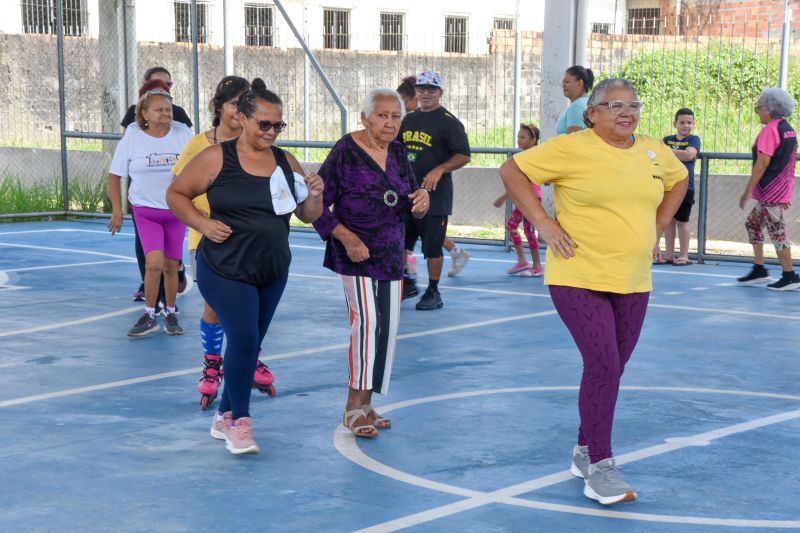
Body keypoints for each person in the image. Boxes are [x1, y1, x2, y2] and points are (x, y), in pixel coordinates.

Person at [500, 78, 688, 505]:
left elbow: (678, 182)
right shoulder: (572, 147)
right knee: (603, 363)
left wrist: (659, 225)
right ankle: (601, 467)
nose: (626, 112)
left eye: (633, 105)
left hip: (633, 278)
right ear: (593, 112)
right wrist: (544, 225)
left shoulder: (652, 150)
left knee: (612, 368)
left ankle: (584, 450)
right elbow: (512, 170)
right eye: (615, 105)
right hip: (577, 274)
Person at [167, 79, 323, 455]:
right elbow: (175, 194)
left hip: (271, 268)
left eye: (278, 126)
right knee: (245, 339)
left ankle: (222, 415)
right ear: (242, 118)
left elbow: (306, 215)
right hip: (223, 266)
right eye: (264, 124)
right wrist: (202, 224)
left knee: (251, 345)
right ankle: (240, 422)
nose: (271, 132)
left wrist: (315, 194)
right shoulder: (216, 157)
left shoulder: (286, 162)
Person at [313, 88, 429, 438]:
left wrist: (421, 198)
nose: (390, 122)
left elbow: (407, 196)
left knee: (387, 330)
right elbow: (317, 208)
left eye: (395, 116)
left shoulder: (396, 151)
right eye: (382, 115)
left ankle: (366, 403)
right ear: (364, 118)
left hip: (391, 253)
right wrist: (347, 238)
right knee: (367, 325)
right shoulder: (345, 152)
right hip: (356, 254)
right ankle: (352, 407)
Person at [169, 76, 276, 409]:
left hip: (252, 245)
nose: (240, 109)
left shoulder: (263, 145)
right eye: (234, 102)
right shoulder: (201, 147)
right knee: (218, 307)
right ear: (221, 108)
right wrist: (207, 219)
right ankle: (213, 363)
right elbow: (179, 188)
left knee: (252, 309)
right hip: (210, 239)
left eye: (247, 103)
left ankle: (246, 356)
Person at [108, 86, 193, 337]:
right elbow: (115, 176)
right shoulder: (133, 137)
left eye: (168, 109)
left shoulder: (182, 133)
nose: (166, 113)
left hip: (176, 210)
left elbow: (197, 166)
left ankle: (169, 311)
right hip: (146, 211)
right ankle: (149, 314)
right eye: (159, 110)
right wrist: (117, 210)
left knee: (171, 265)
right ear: (144, 113)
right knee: (154, 263)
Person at [398, 70, 471, 310]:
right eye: (421, 88)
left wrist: (439, 170)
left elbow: (463, 155)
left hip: (435, 197)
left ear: (440, 92)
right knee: (401, 243)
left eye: (431, 89)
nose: (426, 93)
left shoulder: (449, 122)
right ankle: (406, 281)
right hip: (407, 194)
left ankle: (433, 291)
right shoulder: (408, 120)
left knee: (432, 249)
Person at [125, 69, 191, 305]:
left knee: (171, 260)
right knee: (149, 253)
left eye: (167, 83)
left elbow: (189, 151)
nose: (163, 87)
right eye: (156, 83)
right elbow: (129, 148)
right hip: (144, 198)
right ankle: (149, 292)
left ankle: (172, 297)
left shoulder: (179, 119)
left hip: (173, 200)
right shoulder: (134, 124)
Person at [737, 88, 799, 290]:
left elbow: (762, 163)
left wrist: (747, 191)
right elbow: (789, 163)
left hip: (770, 193)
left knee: (778, 232)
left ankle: (789, 275)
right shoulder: (788, 129)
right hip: (776, 192)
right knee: (753, 224)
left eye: (758, 107)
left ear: (770, 109)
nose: (757, 112)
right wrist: (786, 192)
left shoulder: (770, 130)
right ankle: (759, 269)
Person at [494, 123, 543, 276]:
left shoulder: (531, 157)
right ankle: (523, 261)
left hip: (531, 197)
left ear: (533, 140)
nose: (519, 140)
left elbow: (521, 184)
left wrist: (502, 198)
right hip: (525, 197)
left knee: (528, 231)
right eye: (518, 137)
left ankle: (537, 266)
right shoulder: (522, 157)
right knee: (512, 225)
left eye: (523, 137)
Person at [659, 108, 701, 266]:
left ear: (693, 124)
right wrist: (672, 152)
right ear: (675, 123)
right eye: (682, 122)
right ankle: (669, 254)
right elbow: (658, 155)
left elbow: (689, 154)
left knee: (682, 221)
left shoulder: (693, 139)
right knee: (668, 220)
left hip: (685, 187)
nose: (686, 125)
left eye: (689, 122)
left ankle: (684, 255)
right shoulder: (667, 139)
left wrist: (666, 151)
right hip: (667, 186)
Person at [557, 65, 594, 135]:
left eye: (567, 82)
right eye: (563, 82)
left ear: (580, 83)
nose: (563, 85)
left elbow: (575, 142)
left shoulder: (576, 106)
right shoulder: (586, 102)